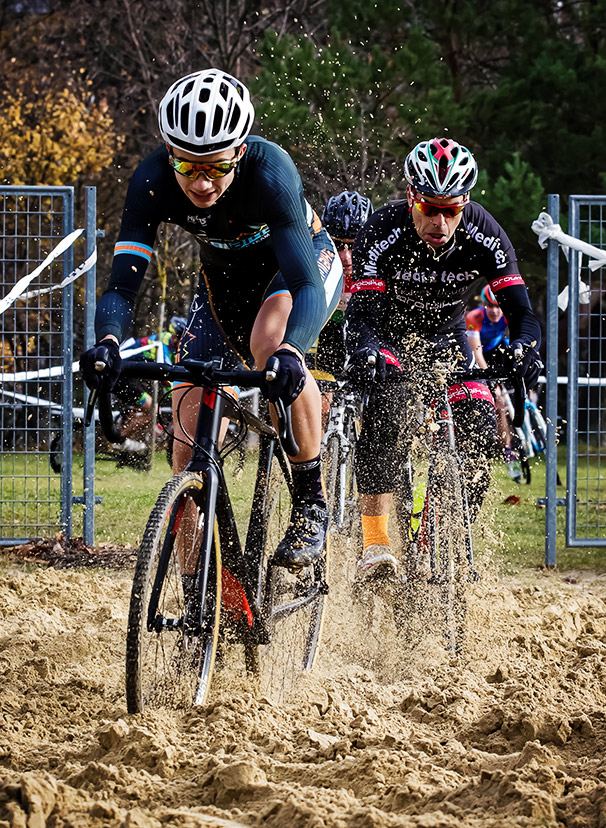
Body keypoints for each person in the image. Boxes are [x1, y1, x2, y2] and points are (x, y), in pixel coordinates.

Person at [79, 68, 343, 569]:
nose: (201, 182)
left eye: (216, 168)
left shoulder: (271, 172)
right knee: (186, 448)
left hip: (297, 268)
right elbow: (120, 288)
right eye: (188, 165)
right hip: (222, 286)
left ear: (239, 153)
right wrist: (109, 343)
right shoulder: (152, 181)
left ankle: (312, 506)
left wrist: (292, 351)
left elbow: (307, 284)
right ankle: (203, 601)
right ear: (168, 152)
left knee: (270, 343)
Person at [346, 137, 542, 581]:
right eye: (429, 208)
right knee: (387, 410)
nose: (439, 222)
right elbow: (361, 315)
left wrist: (524, 350)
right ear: (411, 197)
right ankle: (376, 542)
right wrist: (366, 349)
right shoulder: (383, 228)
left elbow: (522, 315)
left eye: (451, 210)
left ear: (465, 203)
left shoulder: (485, 233)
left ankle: (437, 538)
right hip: (388, 332)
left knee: (477, 426)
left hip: (446, 336)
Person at [112, 315, 187, 452]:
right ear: (175, 337)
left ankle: (127, 448)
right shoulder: (163, 344)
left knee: (146, 412)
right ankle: (120, 441)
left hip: (130, 376)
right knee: (154, 411)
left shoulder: (171, 346)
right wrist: (180, 395)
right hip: (120, 376)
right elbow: (167, 378)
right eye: (182, 340)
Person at [465, 286, 518, 470]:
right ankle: (506, 448)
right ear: (484, 305)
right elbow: (477, 354)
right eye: (490, 306)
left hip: (497, 351)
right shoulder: (474, 317)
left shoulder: (507, 316)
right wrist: (491, 381)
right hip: (479, 355)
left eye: (498, 306)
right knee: (498, 403)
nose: (495, 311)